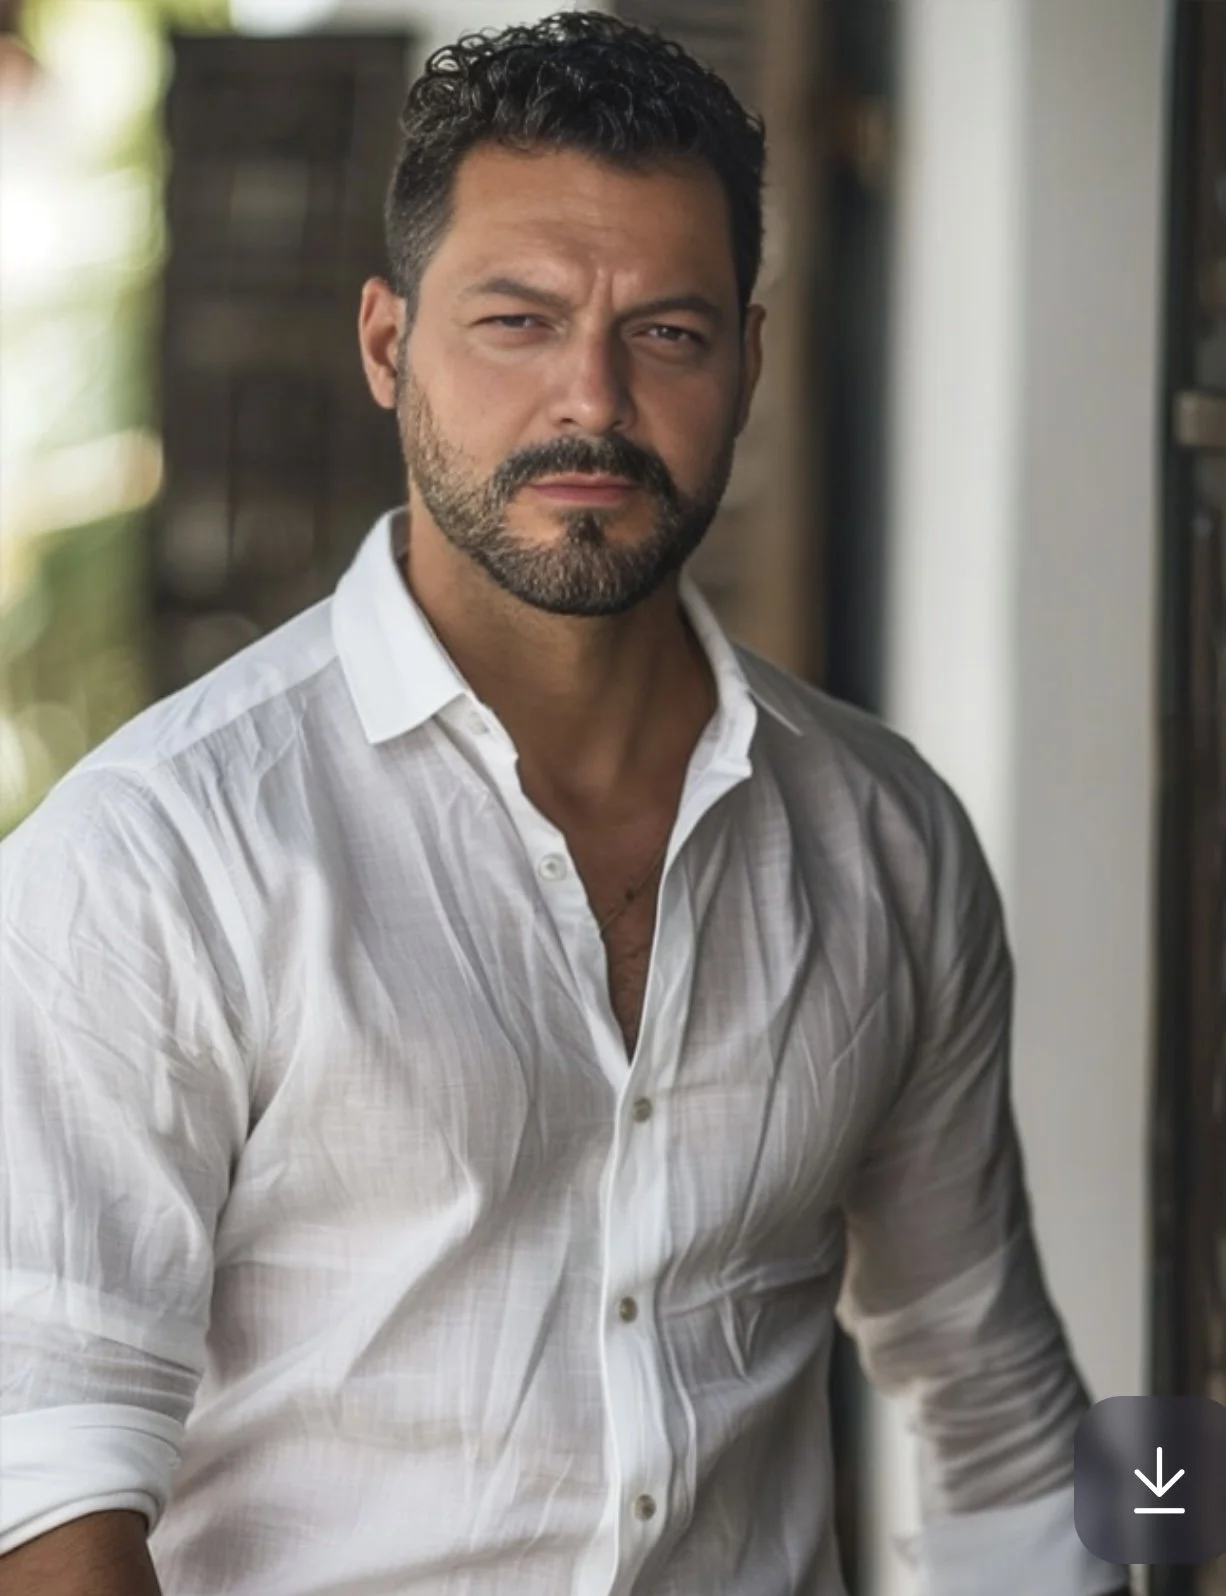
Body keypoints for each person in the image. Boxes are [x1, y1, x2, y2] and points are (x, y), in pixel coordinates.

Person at [0, 12, 1130, 1595]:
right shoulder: (158, 854)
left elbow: (995, 1405)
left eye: (664, 332)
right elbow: (48, 1484)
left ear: (746, 357)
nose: (589, 401)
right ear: (388, 344)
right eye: (517, 322)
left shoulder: (883, 838)